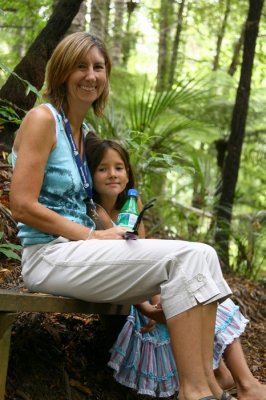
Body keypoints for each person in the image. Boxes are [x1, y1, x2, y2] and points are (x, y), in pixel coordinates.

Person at [10, 31, 235, 400]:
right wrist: (92, 237)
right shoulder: (42, 119)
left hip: (81, 254)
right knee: (188, 256)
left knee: (204, 254)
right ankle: (193, 391)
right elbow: (22, 205)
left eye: (99, 67)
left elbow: (89, 205)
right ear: (63, 72)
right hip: (49, 256)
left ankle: (210, 385)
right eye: (81, 66)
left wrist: (118, 242)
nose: (91, 75)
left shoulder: (83, 134)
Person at [85, 137, 266, 400]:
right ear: (91, 174)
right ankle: (227, 381)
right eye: (103, 168)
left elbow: (146, 258)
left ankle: (240, 381)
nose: (112, 174)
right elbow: (120, 270)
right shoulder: (97, 213)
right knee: (190, 303)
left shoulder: (132, 206)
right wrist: (147, 307)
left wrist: (161, 301)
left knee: (207, 297)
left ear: (128, 174)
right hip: (131, 301)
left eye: (119, 167)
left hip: (147, 290)